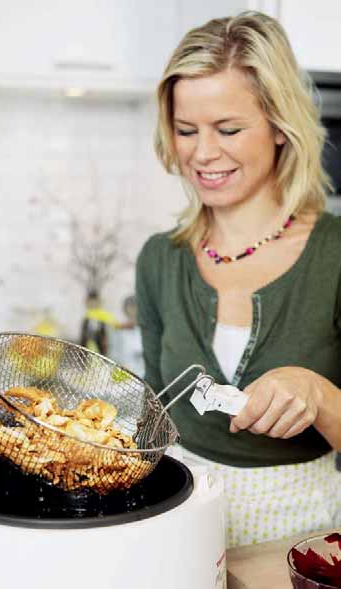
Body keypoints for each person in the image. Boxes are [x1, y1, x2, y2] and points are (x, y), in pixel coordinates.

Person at [135, 11, 341, 548]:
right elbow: (159, 425)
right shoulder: (159, 260)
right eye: (186, 130)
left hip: (302, 543)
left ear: (278, 125)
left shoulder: (335, 254)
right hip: (181, 524)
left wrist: (316, 393)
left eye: (228, 129)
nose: (202, 153)